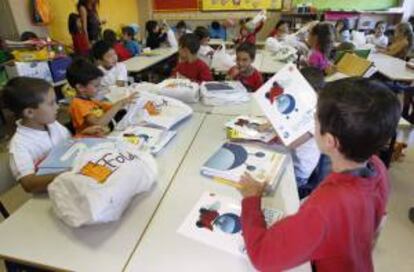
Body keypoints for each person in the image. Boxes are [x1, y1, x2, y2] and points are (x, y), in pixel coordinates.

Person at [238, 78, 401, 271]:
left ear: (330, 141)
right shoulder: (379, 167)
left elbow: (262, 256)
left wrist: (251, 199)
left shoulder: (324, 208)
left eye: (314, 118)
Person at [3, 77, 106, 193]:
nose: (57, 107)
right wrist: (70, 173)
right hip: (54, 192)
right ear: (29, 112)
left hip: (74, 182)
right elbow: (28, 184)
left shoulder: (52, 124)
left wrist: (82, 135)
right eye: (51, 103)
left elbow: (66, 145)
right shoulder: (19, 145)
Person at [66, 58, 135, 134]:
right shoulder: (78, 104)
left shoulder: (90, 100)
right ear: (80, 87)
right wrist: (119, 104)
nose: (99, 88)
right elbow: (98, 124)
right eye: (96, 86)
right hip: (91, 142)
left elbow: (108, 107)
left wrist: (123, 103)